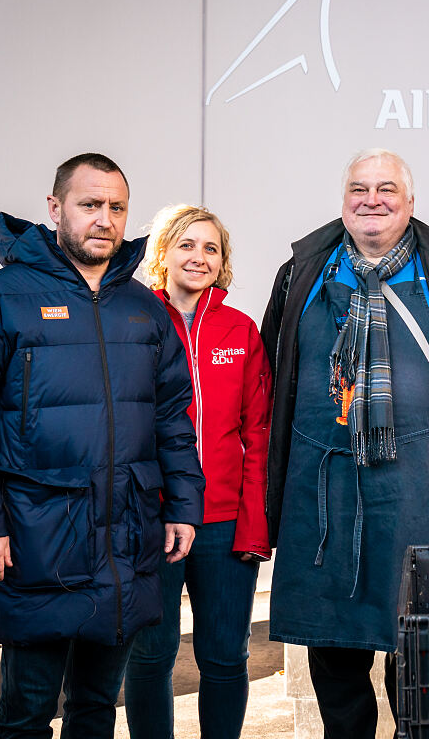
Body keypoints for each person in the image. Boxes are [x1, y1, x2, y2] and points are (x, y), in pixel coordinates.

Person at [0, 154, 205, 739]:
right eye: (90, 204)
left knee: (97, 710)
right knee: (27, 715)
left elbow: (173, 418)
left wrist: (182, 504)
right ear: (56, 209)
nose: (105, 219)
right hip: (35, 541)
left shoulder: (143, 309)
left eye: (117, 208)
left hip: (125, 542)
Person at [261, 149, 429, 738]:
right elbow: (274, 372)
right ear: (342, 201)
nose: (373, 200)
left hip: (416, 481)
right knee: (334, 649)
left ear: (411, 202)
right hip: (323, 488)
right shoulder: (302, 271)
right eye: (359, 189)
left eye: (387, 189)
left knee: (418, 643)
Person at [123, 205, 271, 738]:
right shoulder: (133, 321)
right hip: (154, 519)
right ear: (163, 254)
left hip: (226, 522)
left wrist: (255, 525)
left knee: (226, 655)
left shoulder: (241, 330)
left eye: (211, 248)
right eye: (186, 245)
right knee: (151, 655)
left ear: (223, 262)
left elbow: (259, 434)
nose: (199, 257)